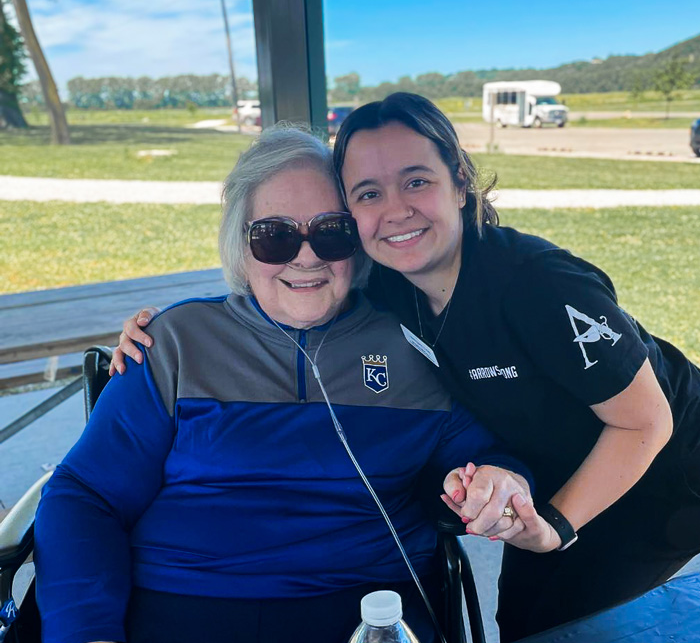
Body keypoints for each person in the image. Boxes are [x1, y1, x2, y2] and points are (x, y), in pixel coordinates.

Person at [116, 95, 700, 642]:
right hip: (548, 470)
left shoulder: (539, 286)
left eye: (416, 181)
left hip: (661, 474)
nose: (395, 211)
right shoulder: (392, 283)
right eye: (368, 194)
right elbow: (292, 277)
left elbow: (646, 422)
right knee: (521, 619)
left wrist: (556, 525)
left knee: (574, 628)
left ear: (460, 181)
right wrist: (168, 332)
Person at [35, 125, 533, 643]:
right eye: (274, 236)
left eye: (331, 232)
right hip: (185, 601)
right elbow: (86, 495)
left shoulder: (414, 342)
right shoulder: (175, 343)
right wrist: (86, 631)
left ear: (359, 239)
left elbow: (489, 457)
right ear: (240, 245)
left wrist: (500, 479)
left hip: (369, 608)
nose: (307, 256)